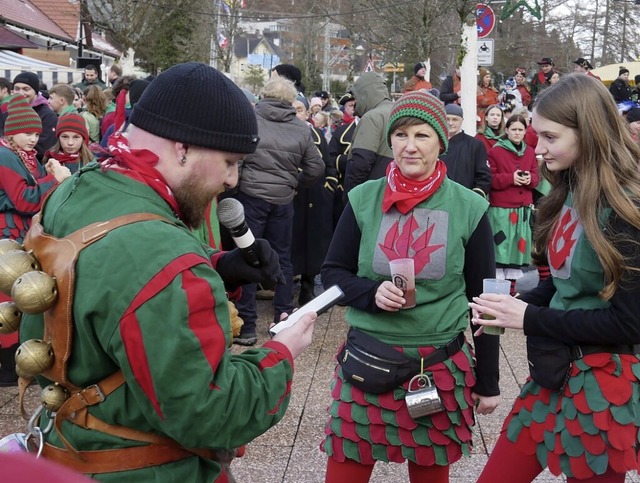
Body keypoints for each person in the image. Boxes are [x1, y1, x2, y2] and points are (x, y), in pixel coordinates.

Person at [17, 62, 317, 481]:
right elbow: (208, 411)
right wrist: (282, 353)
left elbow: (107, 280)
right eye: (230, 161)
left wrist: (217, 267)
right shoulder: (165, 258)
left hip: (63, 452)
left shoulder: (76, 187)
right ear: (182, 148)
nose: (232, 180)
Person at [321, 90, 500, 483]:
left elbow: (484, 299)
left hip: (438, 366)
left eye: (422, 135)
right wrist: (370, 293)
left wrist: (489, 380)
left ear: (441, 142)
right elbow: (333, 273)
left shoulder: (469, 207)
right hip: (367, 360)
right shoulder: (363, 198)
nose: (410, 146)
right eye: (401, 135)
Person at [473, 73, 640, 483]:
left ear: (588, 132)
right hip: (552, 373)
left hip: (604, 387)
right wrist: (519, 301)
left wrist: (527, 317)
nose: (538, 148)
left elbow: (629, 322)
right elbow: (564, 283)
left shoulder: (626, 208)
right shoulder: (566, 189)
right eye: (536, 135)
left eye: (549, 137)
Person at [230, 77, 324, 346]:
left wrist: (240, 184)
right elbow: (316, 169)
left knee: (247, 257)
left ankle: (247, 325)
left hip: (251, 197)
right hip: (283, 200)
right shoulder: (301, 128)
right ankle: (283, 317)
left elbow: (238, 159)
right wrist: (294, 183)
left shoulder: (250, 120)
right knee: (283, 257)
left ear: (264, 95)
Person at [0, 95, 71, 386]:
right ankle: (7, 365)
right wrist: (54, 179)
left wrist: (49, 173)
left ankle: (18, 359)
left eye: (36, 134)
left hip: (19, 232)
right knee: (9, 295)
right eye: (28, 133)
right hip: (8, 233)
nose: (33, 138)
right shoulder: (5, 156)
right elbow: (24, 199)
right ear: (11, 133)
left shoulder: (24, 156)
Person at [486, 113, 538, 296]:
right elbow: (490, 179)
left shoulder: (530, 151)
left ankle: (510, 293)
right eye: (514, 129)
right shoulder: (495, 151)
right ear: (506, 130)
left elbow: (536, 178)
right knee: (500, 252)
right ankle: (497, 294)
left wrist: (529, 179)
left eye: (521, 130)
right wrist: (511, 178)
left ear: (525, 131)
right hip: (501, 210)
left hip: (522, 209)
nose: (517, 133)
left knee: (516, 252)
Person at [343, 72, 394, 193]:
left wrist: (352, 198)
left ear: (364, 94)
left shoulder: (372, 117)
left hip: (372, 195)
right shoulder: (399, 112)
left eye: (356, 98)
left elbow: (361, 163)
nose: (355, 104)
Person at [440, 103, 492, 198]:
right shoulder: (435, 143)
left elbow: (484, 176)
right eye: (447, 119)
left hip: (464, 200)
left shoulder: (475, 145)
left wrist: (474, 197)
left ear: (462, 121)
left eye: (455, 119)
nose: (450, 123)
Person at [3, 72, 58, 161]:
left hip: (35, 165)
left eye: (26, 89)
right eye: (17, 89)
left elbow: (46, 146)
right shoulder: (7, 111)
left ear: (35, 91)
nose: (20, 93)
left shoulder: (47, 115)